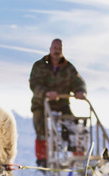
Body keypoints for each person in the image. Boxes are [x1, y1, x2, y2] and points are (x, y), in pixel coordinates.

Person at [29, 38, 87, 167]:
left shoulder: (68, 68)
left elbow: (78, 81)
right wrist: (46, 93)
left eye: (59, 49)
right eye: (55, 48)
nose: (57, 51)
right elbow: (34, 84)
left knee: (73, 125)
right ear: (50, 49)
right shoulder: (39, 66)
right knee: (41, 127)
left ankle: (78, 158)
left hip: (62, 103)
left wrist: (80, 91)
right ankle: (42, 160)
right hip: (42, 103)